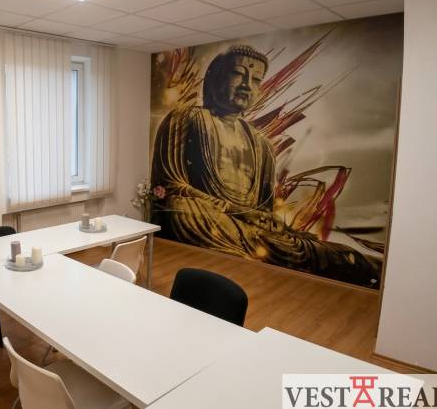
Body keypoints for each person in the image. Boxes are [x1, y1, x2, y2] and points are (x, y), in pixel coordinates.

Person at [151, 45, 380, 288]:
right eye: (238, 73)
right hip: (210, 216)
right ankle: (265, 248)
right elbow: (171, 184)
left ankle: (338, 258)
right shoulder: (187, 118)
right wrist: (237, 211)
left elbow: (264, 206)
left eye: (256, 79)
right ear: (215, 77)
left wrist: (261, 218)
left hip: (243, 226)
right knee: (180, 207)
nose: (247, 84)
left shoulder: (261, 144)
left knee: (311, 247)